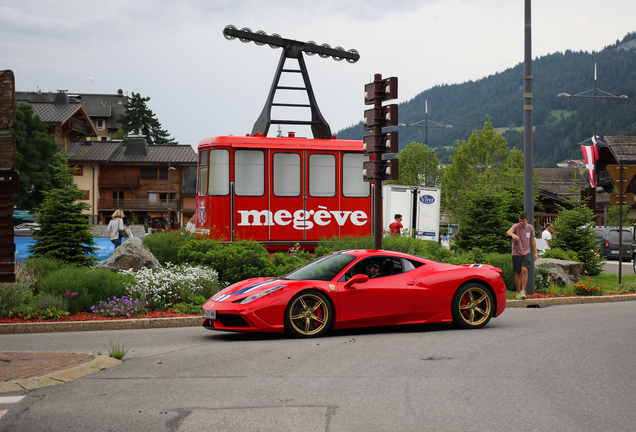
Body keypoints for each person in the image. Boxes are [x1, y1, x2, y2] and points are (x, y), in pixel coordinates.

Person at [506, 212, 538, 299]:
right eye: (520, 221)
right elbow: (508, 231)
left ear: (527, 220)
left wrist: (535, 252)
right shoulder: (516, 226)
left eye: (523, 221)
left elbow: (532, 240)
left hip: (526, 252)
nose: (522, 223)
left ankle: (523, 291)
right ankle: (519, 291)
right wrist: (513, 235)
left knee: (524, 270)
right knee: (518, 272)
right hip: (516, 252)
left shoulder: (530, 228)